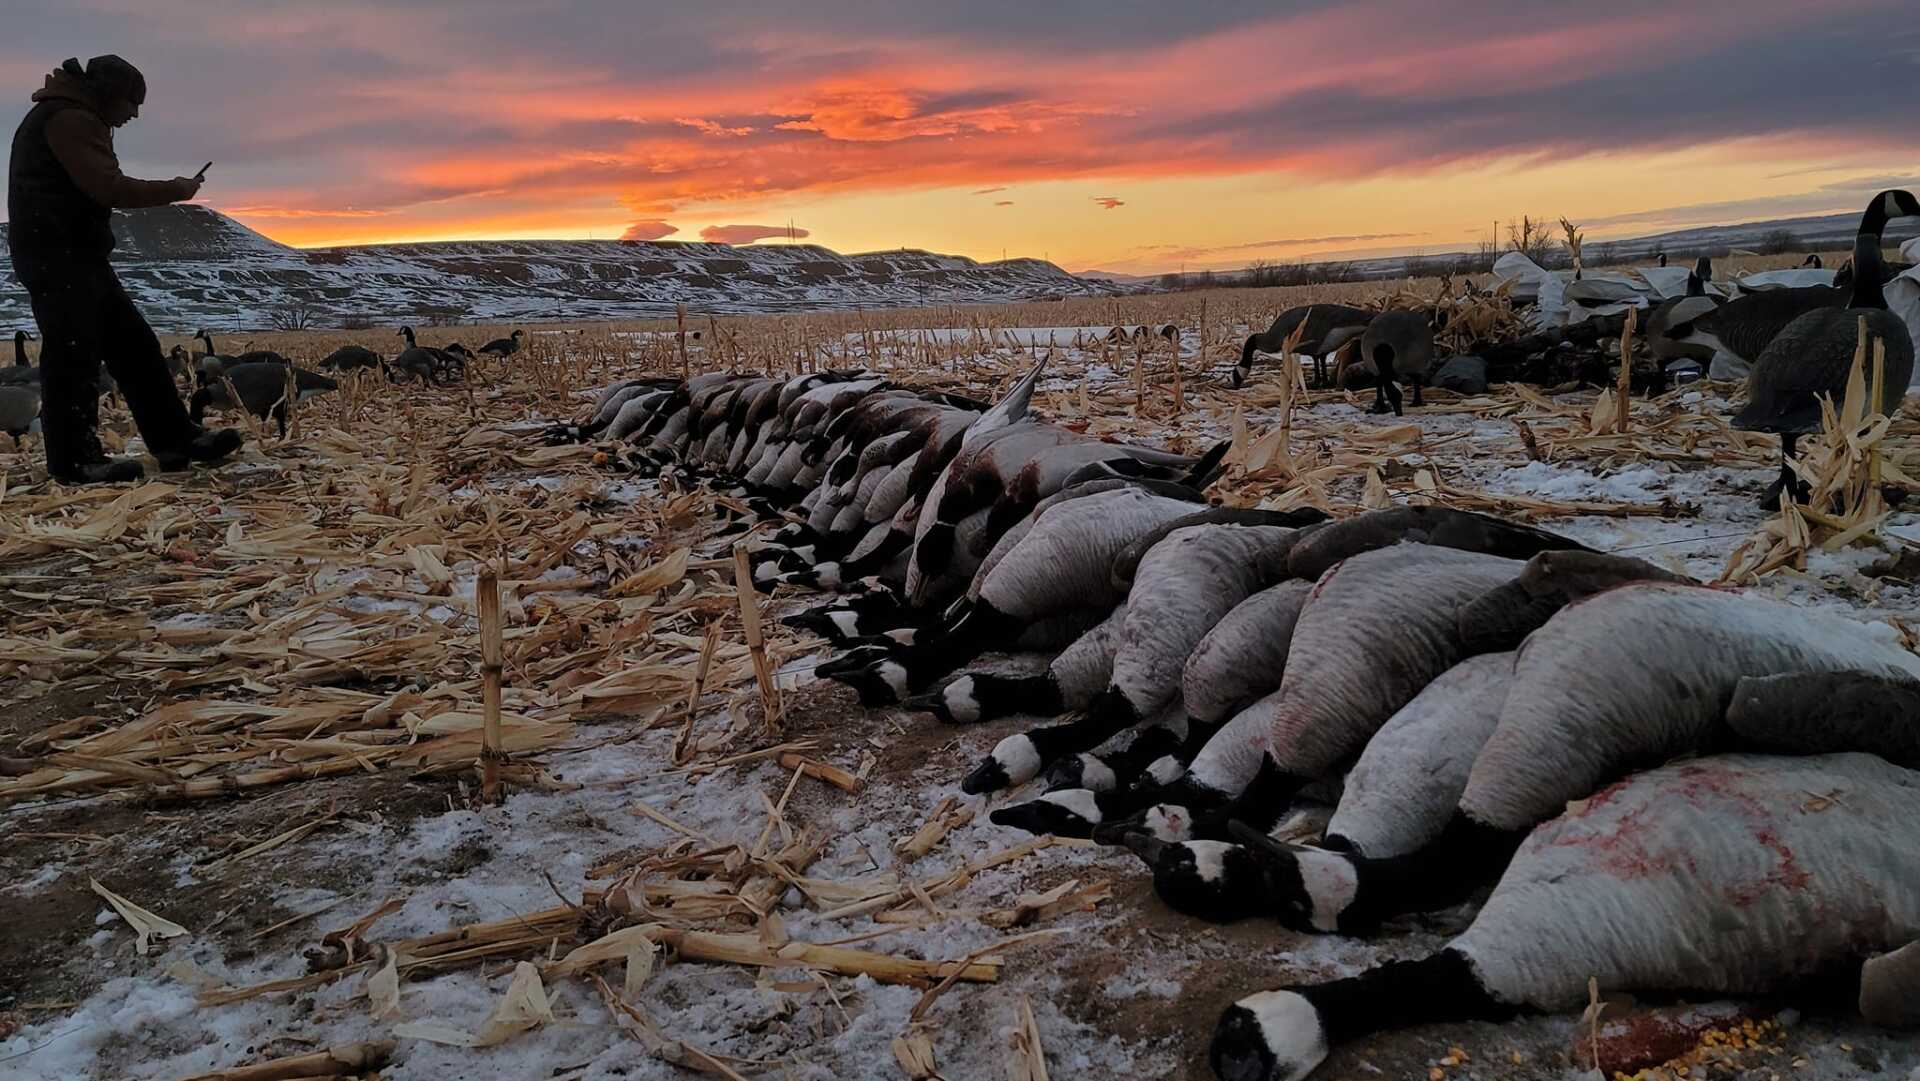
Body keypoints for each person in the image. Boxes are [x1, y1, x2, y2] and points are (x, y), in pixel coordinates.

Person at [7, 55, 239, 483]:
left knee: (135, 347)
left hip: (74, 255)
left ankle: (175, 440)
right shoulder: (71, 119)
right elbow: (107, 186)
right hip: (59, 256)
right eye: (132, 103)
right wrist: (177, 190)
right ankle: (75, 461)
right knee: (73, 356)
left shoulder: (68, 115)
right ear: (109, 95)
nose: (134, 114)